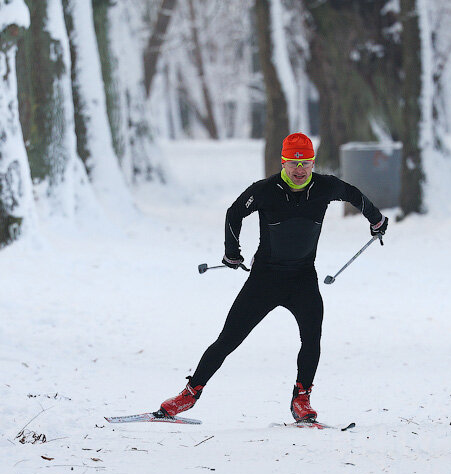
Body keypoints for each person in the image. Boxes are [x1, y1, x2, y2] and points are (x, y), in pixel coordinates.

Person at [156, 133, 388, 422]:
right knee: (228, 339)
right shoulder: (265, 190)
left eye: (306, 163)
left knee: (312, 339)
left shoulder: (325, 186)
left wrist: (376, 220)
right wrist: (232, 253)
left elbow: (354, 194)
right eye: (293, 163)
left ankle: (301, 398)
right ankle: (189, 394)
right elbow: (234, 213)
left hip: (303, 278)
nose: (300, 170)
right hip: (264, 280)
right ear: (283, 163)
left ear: (313, 163)